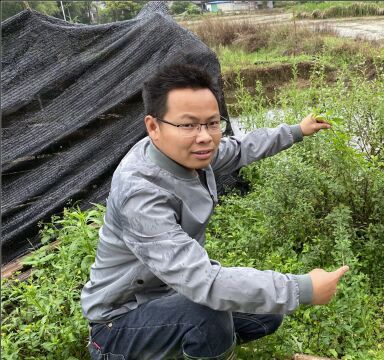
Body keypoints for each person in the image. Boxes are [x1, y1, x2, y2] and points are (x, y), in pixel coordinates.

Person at [80, 62, 349, 360]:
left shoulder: (190, 153)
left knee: (266, 315)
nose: (205, 136)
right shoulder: (140, 192)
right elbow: (203, 281)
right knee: (210, 313)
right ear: (153, 127)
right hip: (118, 322)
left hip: (170, 293)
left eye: (211, 123)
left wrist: (297, 130)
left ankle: (191, 345)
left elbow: (242, 147)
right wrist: (303, 288)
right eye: (188, 125)